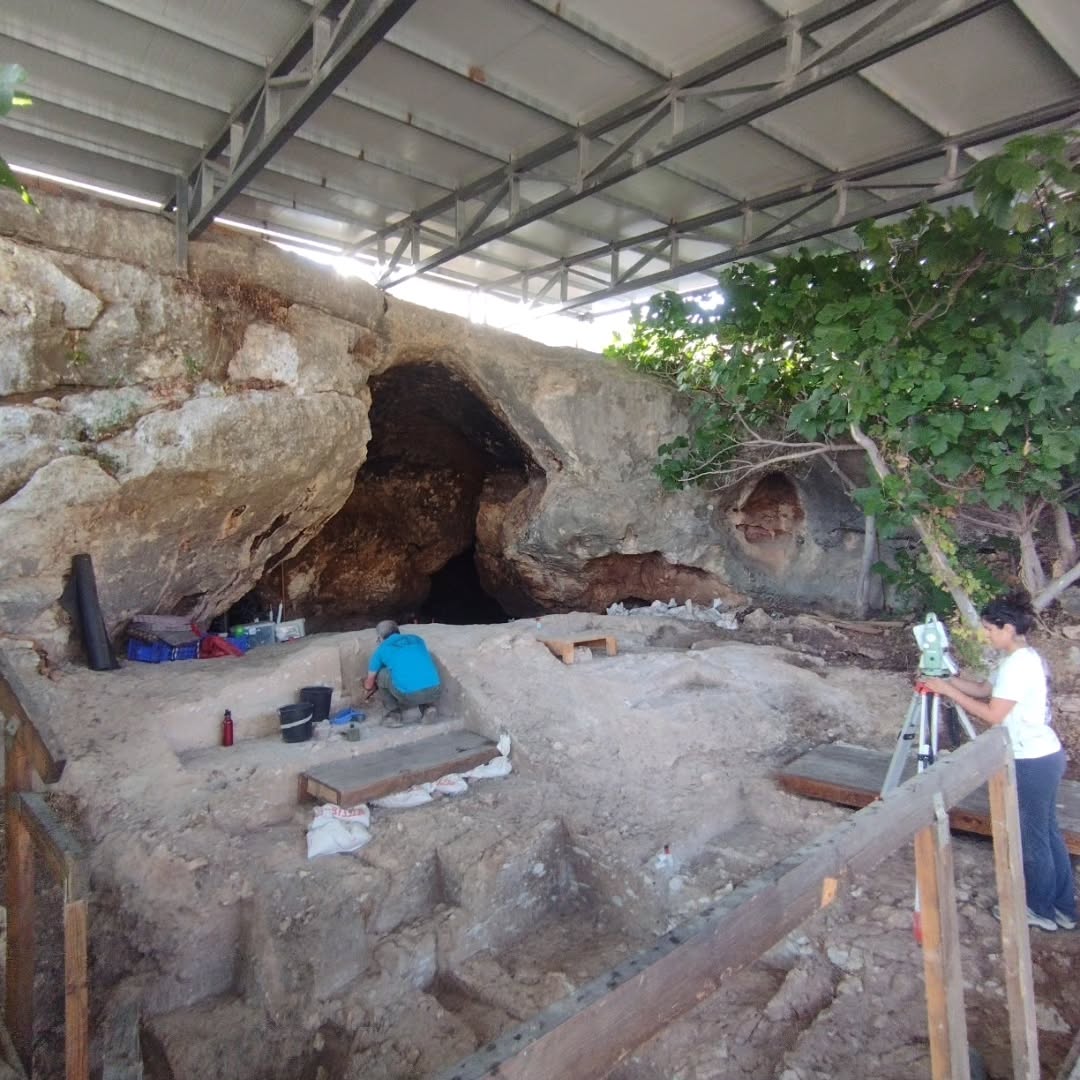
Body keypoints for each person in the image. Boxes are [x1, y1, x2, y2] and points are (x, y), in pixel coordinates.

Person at [920, 592, 1077, 933]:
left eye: (991, 629)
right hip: (1043, 756)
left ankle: (1039, 909)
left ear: (1008, 628)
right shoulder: (1018, 659)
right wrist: (945, 679)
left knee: (1033, 838)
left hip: (1032, 761)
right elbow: (980, 689)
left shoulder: (1019, 665)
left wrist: (947, 693)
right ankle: (1064, 908)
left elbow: (993, 714)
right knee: (1047, 833)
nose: (987, 635)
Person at [363, 620, 441, 727]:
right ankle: (428, 708)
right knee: (416, 668)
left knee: (382, 674)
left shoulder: (381, 649)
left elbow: (369, 685)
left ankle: (393, 715)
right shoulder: (417, 639)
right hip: (435, 691)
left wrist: (367, 686)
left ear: (380, 638)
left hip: (410, 696)